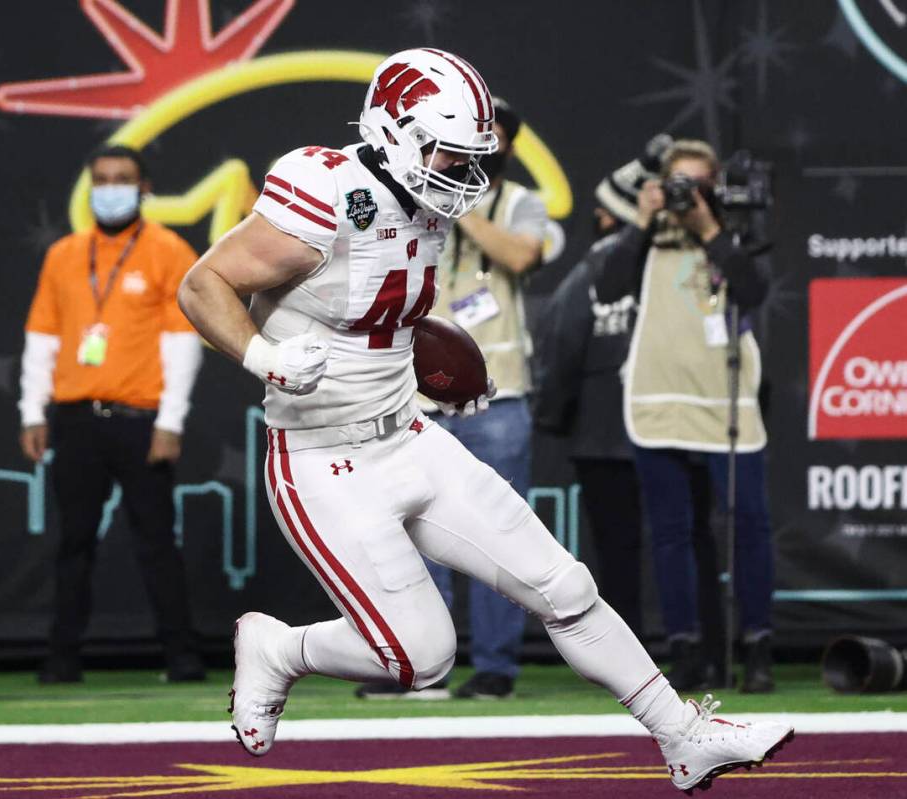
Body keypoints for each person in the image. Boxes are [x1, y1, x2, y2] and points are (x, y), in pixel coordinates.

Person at [178, 49, 792, 791]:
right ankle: (280, 648)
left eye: (472, 155)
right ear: (394, 130)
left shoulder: (428, 204)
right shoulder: (325, 187)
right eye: (447, 151)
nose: (461, 171)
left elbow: (386, 321)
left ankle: (682, 734)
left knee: (563, 586)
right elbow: (202, 281)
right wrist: (263, 357)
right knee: (418, 657)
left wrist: (444, 376)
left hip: (406, 433)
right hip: (320, 456)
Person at [356, 99, 546, 701]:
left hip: (496, 396)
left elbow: (520, 256)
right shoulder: (402, 199)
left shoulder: (520, 203)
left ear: (505, 148)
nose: (476, 149)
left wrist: (455, 202)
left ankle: (495, 666)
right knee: (411, 534)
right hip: (409, 397)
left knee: (495, 533)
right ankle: (422, 668)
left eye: (489, 140)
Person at [535, 139, 729, 689]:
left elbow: (563, 340)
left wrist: (553, 415)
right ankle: (701, 654)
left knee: (647, 548)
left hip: (634, 425)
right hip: (654, 421)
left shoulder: (679, 253)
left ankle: (639, 667)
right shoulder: (627, 257)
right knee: (687, 540)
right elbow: (566, 336)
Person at [594, 139, 775, 694]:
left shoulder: (737, 230)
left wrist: (710, 228)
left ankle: (758, 648)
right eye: (679, 184)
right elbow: (608, 287)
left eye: (698, 185)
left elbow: (752, 289)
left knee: (748, 526)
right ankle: (686, 648)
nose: (686, 195)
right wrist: (645, 219)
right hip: (657, 395)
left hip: (724, 398)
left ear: (715, 187)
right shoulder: (646, 236)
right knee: (671, 533)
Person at [18, 144, 205, 684]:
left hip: (140, 419)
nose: (110, 188)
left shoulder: (168, 251)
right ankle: (61, 658)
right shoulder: (64, 255)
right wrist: (33, 410)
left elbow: (180, 342)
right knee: (72, 543)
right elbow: (42, 337)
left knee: (156, 542)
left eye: (121, 179)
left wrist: (171, 420)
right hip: (75, 417)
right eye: (100, 179)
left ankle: (182, 655)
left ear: (145, 189)